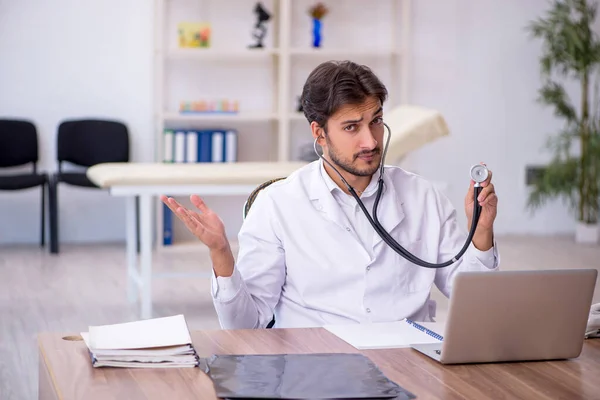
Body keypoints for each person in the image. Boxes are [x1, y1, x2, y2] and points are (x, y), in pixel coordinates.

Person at [161, 60, 499, 329]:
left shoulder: (424, 197)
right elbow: (245, 325)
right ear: (319, 133)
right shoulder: (278, 205)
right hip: (313, 366)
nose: (370, 141)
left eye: (376, 121)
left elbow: (478, 302)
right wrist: (221, 254)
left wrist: (481, 233)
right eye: (351, 127)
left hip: (409, 363)